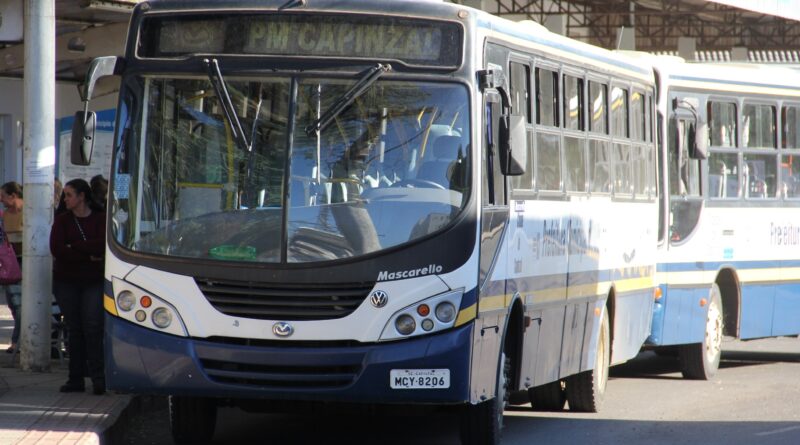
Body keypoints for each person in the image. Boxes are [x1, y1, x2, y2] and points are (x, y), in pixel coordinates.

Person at [50, 179, 106, 394]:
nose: (66, 199)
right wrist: (87, 254)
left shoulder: (100, 219)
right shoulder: (62, 221)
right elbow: (57, 248)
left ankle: (98, 378)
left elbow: (102, 244)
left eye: (69, 195)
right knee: (75, 329)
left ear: (82, 196)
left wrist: (74, 246)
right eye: (65, 195)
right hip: (67, 281)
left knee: (93, 327)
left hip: (93, 281)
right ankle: (76, 378)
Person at [0, 182, 23, 354]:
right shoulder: (4, 216)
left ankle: (18, 340)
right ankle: (18, 340)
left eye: (3, 196)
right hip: (10, 266)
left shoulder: (28, 213)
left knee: (22, 305)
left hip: (25, 264)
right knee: (14, 305)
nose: (1, 200)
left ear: (13, 195)